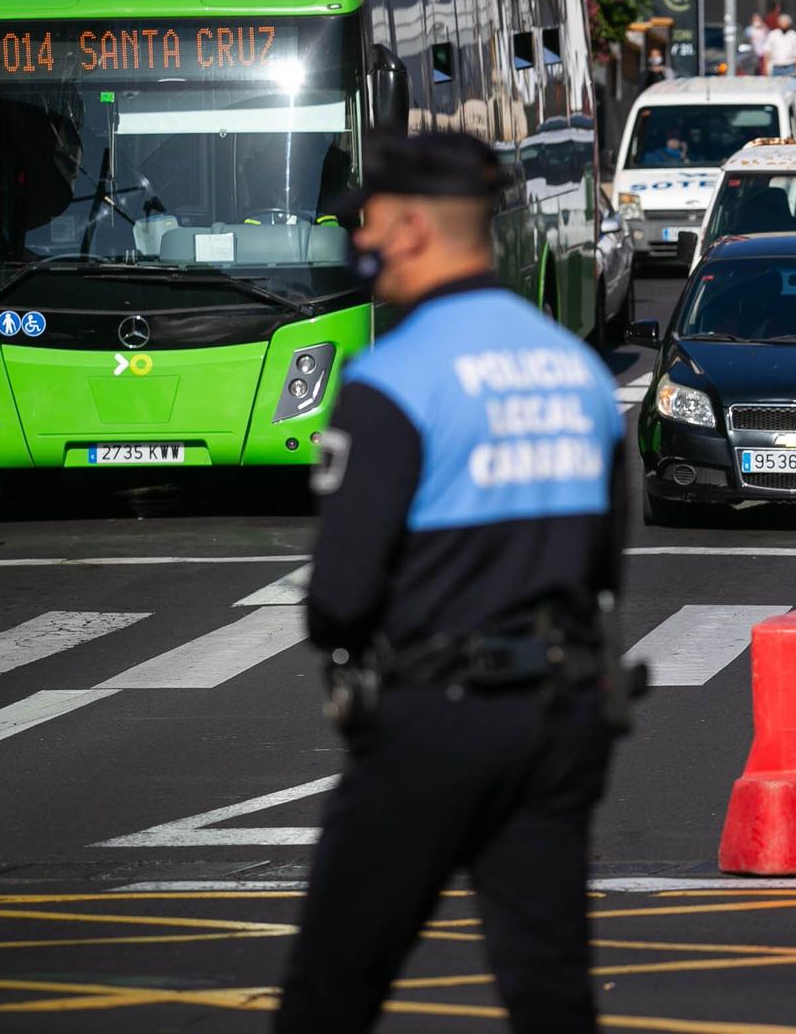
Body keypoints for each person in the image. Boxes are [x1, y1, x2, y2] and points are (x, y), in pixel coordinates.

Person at [276, 131, 630, 1033]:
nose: (360, 240)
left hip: (435, 715)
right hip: (561, 715)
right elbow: (602, 564)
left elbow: (340, 597)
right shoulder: (579, 370)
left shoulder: (394, 377)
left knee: (331, 984)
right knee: (548, 987)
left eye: (368, 222)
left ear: (407, 227)